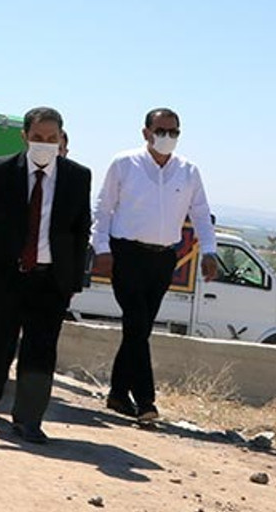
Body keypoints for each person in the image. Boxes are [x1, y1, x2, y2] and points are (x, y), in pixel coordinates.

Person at [0, 106, 91, 444]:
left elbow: (80, 230)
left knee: (40, 349)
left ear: (61, 138)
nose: (45, 144)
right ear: (24, 137)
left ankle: (29, 419)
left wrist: (73, 280)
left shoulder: (77, 176)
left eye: (52, 138)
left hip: (50, 280)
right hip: (3, 275)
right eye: (37, 138)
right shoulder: (2, 170)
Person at [92, 108, 217, 423]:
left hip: (163, 259)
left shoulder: (188, 171)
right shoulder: (124, 164)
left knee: (139, 328)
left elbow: (201, 212)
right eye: (161, 131)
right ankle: (146, 401)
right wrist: (102, 248)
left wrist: (210, 251)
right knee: (136, 322)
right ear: (146, 132)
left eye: (173, 132)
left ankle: (118, 394)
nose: (167, 137)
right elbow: (103, 207)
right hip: (126, 253)